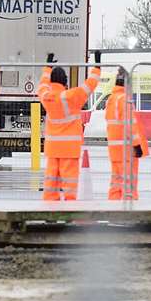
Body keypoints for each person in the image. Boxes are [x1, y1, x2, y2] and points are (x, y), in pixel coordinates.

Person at [39, 55, 101, 202]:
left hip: (53, 148)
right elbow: (90, 85)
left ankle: (49, 208)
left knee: (51, 182)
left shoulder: (46, 97)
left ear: (52, 81)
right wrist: (97, 67)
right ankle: (69, 207)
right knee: (70, 183)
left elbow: (42, 85)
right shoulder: (72, 97)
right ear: (65, 81)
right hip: (69, 148)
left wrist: (47, 67)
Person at [104, 68, 148, 200]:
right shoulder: (124, 100)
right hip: (127, 150)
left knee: (116, 183)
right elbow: (130, 125)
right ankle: (129, 209)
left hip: (115, 149)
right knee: (129, 184)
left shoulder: (111, 99)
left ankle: (114, 208)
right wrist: (137, 145)